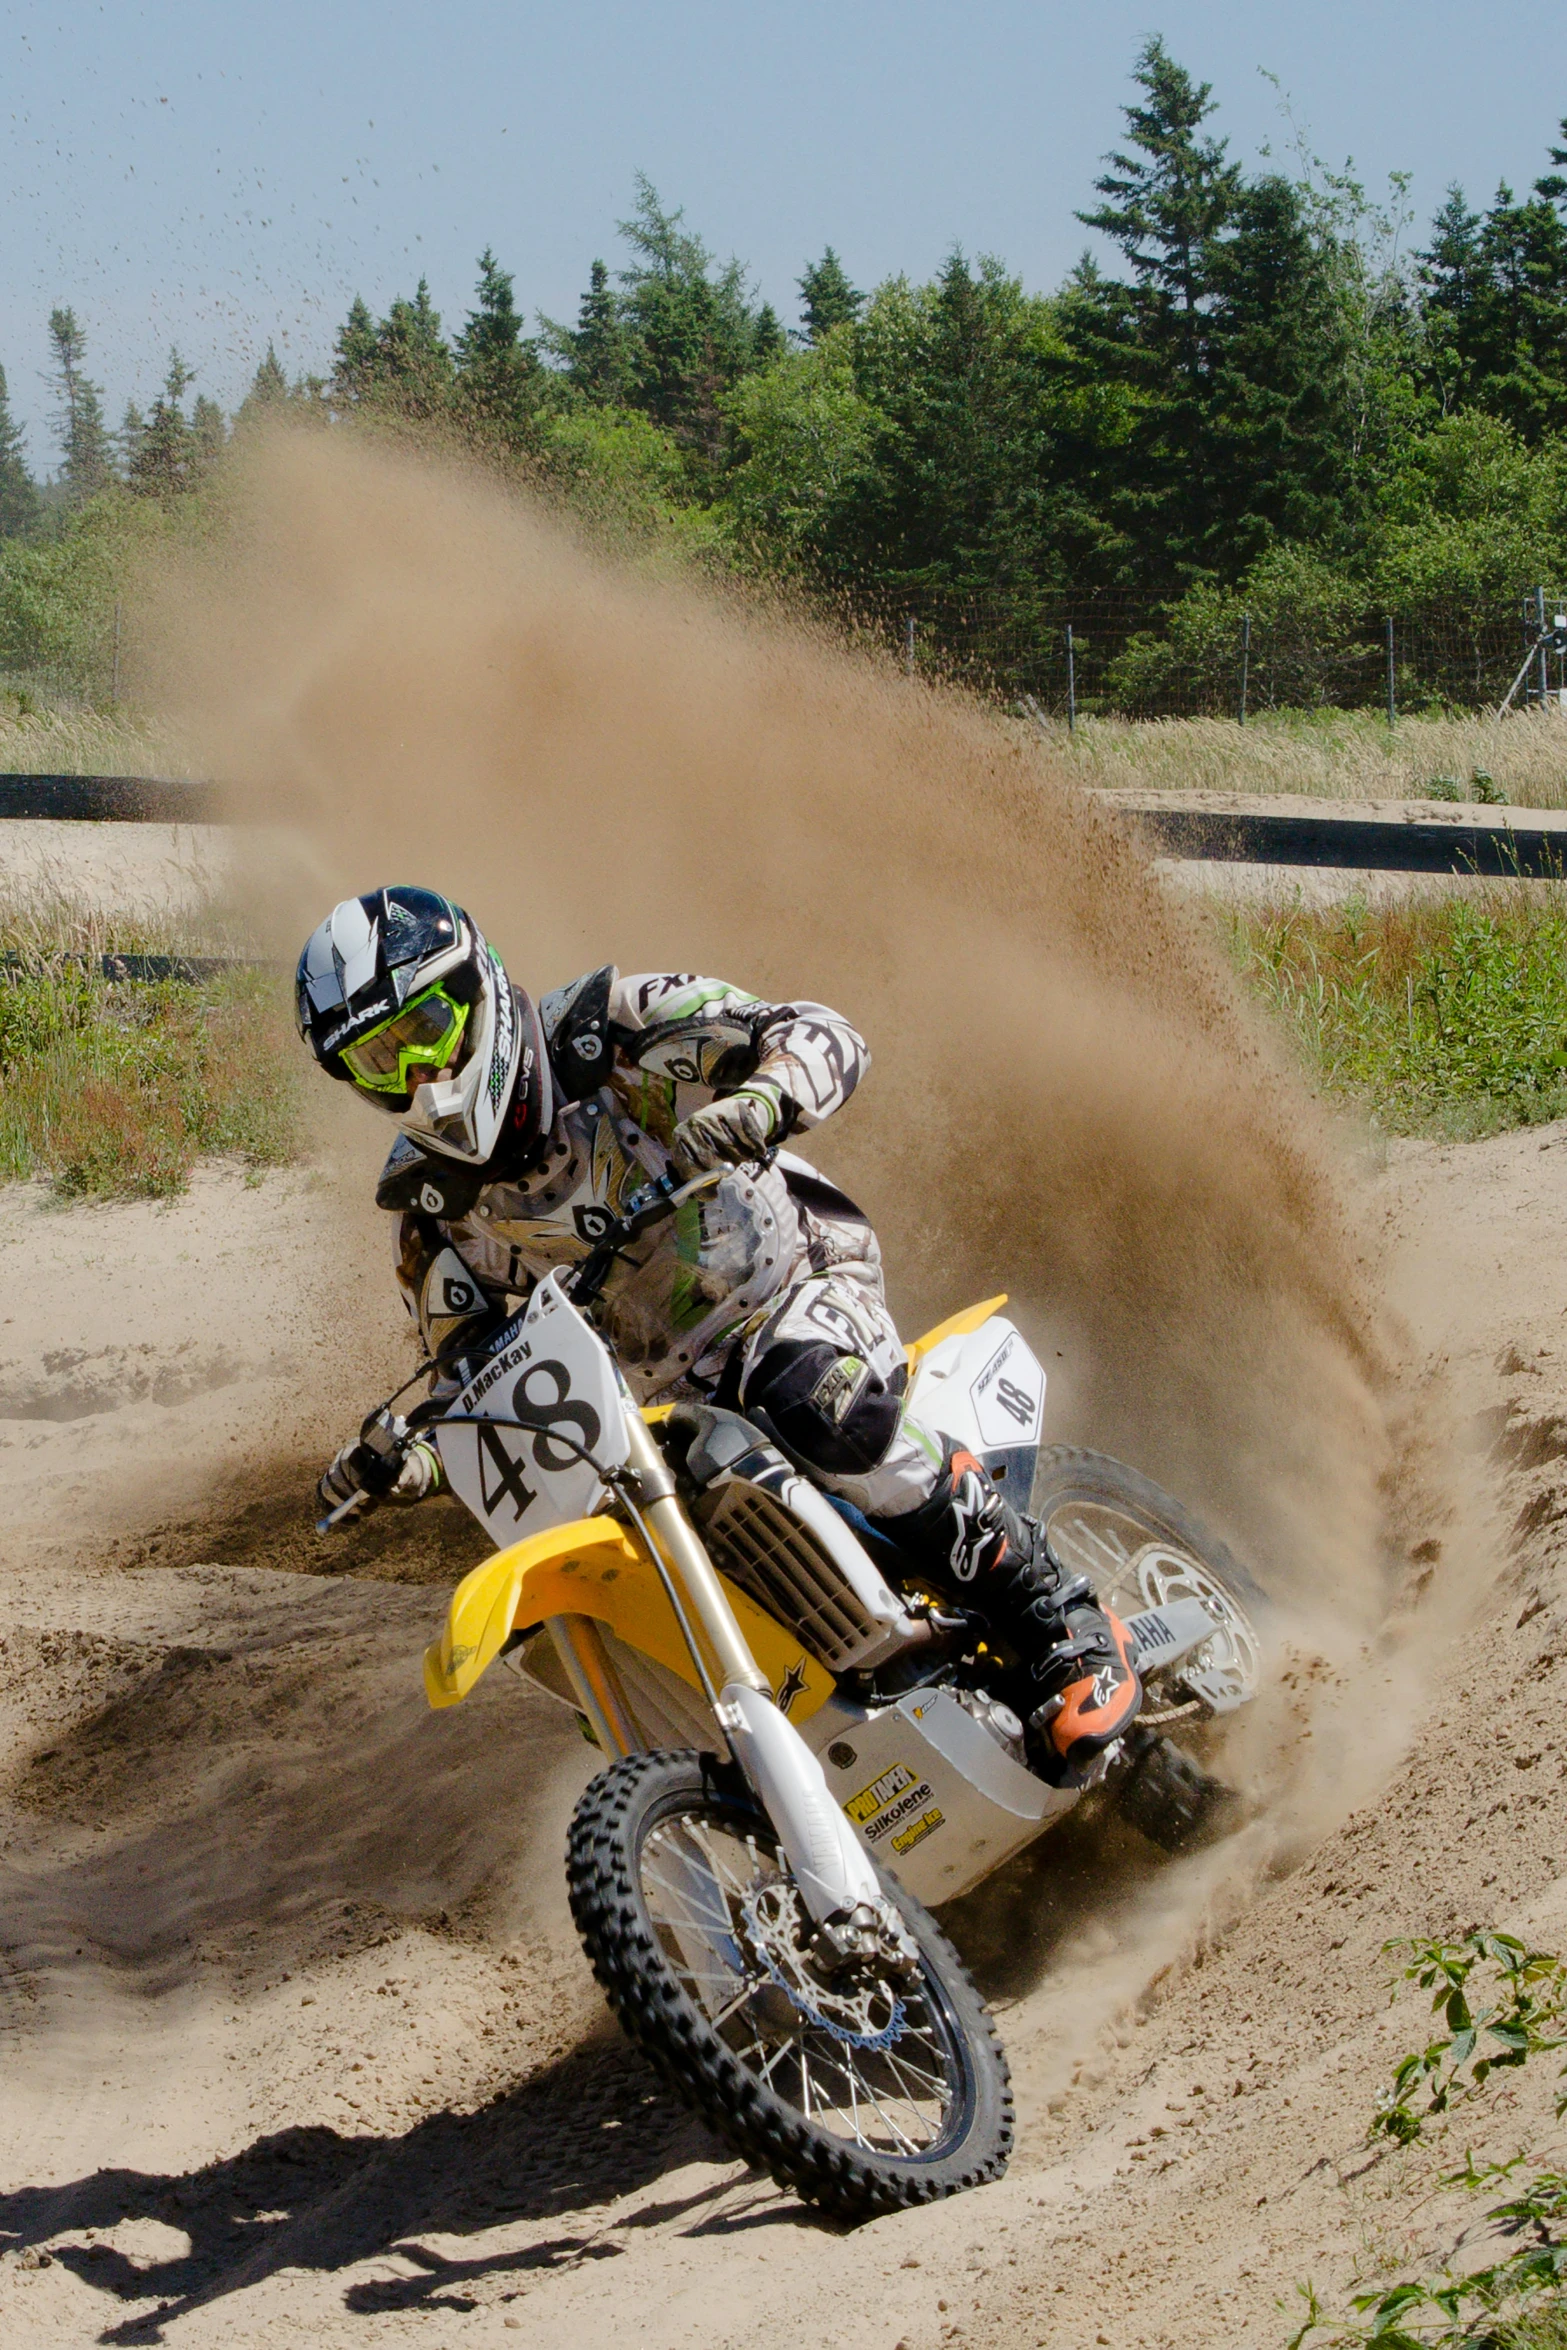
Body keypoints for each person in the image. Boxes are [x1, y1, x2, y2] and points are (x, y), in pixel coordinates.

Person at [296, 884, 1141, 1784]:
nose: (418, 1075)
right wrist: (412, 1463)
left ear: (477, 989)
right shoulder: (429, 1215)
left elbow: (819, 1031)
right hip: (659, 1408)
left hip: (793, 1281)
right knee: (639, 1564)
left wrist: (767, 1100)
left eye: (422, 1030)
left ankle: (1058, 1616)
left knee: (799, 1393)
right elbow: (469, 1383)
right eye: (380, 1063)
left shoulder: (609, 1029)